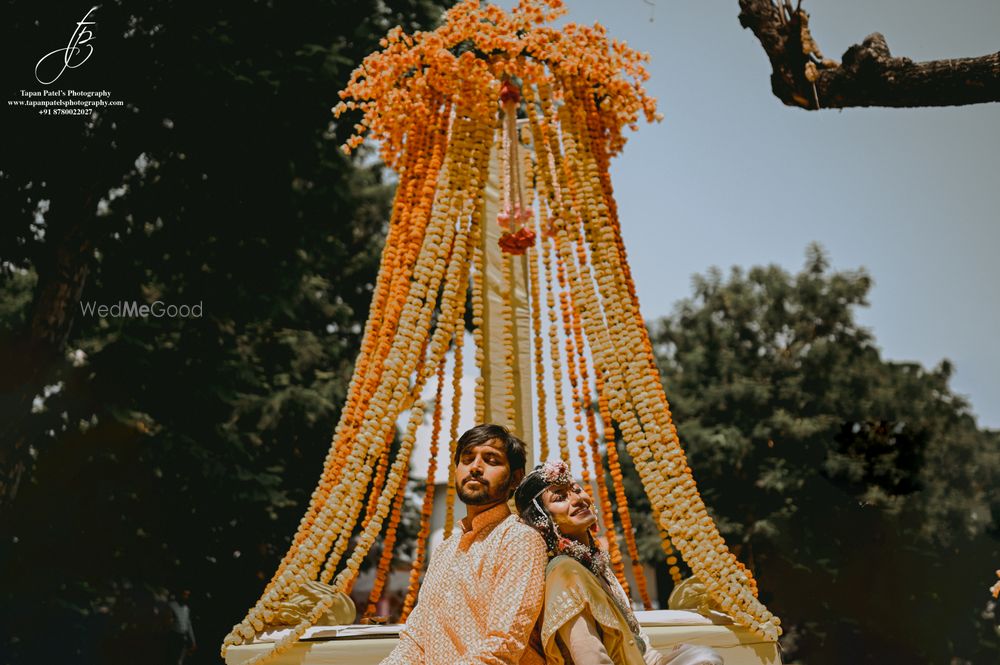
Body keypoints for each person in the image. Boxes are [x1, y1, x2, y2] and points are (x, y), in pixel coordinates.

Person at [514, 461, 723, 665]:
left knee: (703, 657)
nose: (577, 499)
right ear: (543, 519)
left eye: (576, 490)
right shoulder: (565, 571)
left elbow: (637, 641)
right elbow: (590, 656)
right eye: (560, 497)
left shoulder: (596, 564)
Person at [380, 424, 548, 665]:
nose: (476, 468)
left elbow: (504, 644)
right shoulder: (446, 549)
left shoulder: (518, 540)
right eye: (467, 459)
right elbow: (416, 638)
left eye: (491, 460)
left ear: (516, 478)